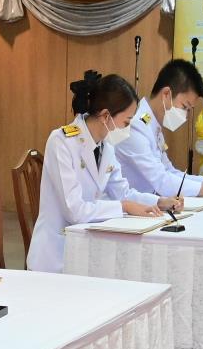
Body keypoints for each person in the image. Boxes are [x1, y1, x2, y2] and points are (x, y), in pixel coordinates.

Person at [27, 70, 178, 273]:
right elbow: (75, 210)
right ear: (106, 116)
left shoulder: (106, 146)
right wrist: (124, 207)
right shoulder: (62, 141)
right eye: (126, 122)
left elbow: (122, 192)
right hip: (55, 255)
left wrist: (158, 202)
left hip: (87, 248)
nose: (128, 129)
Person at [114, 58, 203, 200]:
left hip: (147, 204)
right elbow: (161, 181)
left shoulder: (151, 124)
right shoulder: (135, 126)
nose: (185, 115)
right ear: (166, 94)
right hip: (129, 206)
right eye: (184, 107)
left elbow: (169, 171)